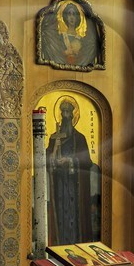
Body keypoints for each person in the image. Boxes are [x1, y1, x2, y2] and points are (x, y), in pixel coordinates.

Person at [47, 97, 98, 245]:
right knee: (61, 214)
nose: (65, 115)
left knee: (73, 216)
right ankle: (59, 244)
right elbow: (45, 158)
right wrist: (53, 155)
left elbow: (87, 161)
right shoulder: (53, 138)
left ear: (73, 115)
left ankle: (75, 243)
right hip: (59, 184)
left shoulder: (80, 138)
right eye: (62, 111)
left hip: (74, 185)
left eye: (68, 112)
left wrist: (70, 161)